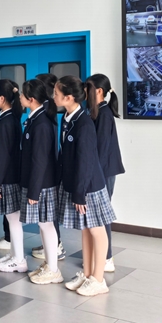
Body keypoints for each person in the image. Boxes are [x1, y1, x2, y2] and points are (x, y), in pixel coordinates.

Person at [53, 76, 116, 296]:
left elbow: (86, 161)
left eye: (56, 94)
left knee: (97, 230)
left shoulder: (84, 123)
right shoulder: (68, 118)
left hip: (90, 186)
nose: (53, 97)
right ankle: (87, 274)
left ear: (68, 97)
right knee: (86, 230)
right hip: (77, 184)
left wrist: (79, 193)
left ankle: (98, 280)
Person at [18, 79, 63, 285]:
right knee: (43, 225)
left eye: (22, 94)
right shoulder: (36, 119)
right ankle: (49, 264)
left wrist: (34, 190)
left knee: (46, 225)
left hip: (43, 184)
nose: (19, 97)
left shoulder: (42, 123)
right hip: (38, 183)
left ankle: (53, 270)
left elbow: (40, 159)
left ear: (31, 99)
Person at [85, 74, 125, 273]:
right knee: (98, 213)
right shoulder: (96, 111)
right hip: (101, 170)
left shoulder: (104, 114)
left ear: (99, 91)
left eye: (88, 88)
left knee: (101, 213)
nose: (85, 92)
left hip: (104, 171)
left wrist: (92, 176)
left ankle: (107, 258)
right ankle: (101, 255)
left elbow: (101, 149)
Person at [0, 79, 26, 273]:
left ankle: (19, 260)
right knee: (12, 219)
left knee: (13, 219)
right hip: (9, 176)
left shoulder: (6, 121)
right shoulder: (7, 118)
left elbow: (1, 156)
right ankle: (14, 255)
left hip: (8, 177)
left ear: (2, 98)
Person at [30, 73, 67, 261]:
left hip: (48, 168)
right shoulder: (48, 109)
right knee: (46, 216)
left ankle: (56, 246)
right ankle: (52, 244)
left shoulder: (44, 113)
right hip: (51, 165)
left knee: (48, 215)